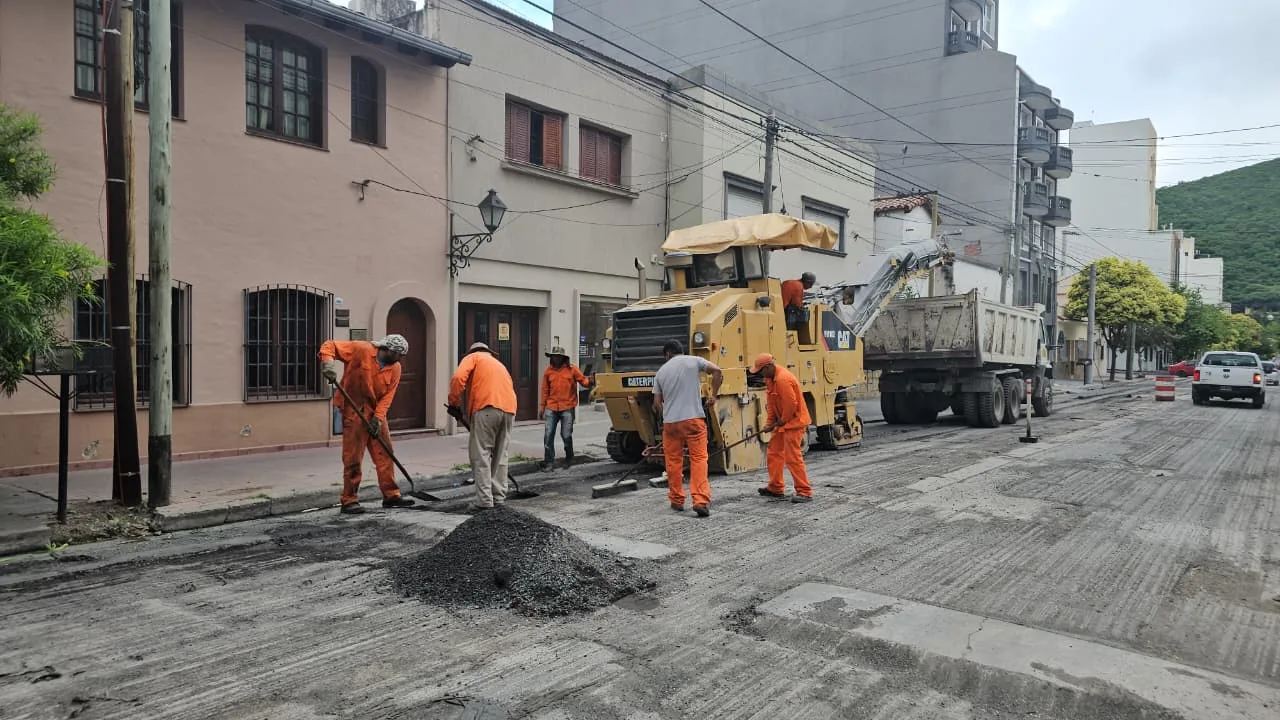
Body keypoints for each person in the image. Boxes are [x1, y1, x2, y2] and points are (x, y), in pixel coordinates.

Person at [319, 334, 415, 515]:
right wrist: (328, 364)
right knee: (353, 458)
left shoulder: (396, 368)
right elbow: (329, 346)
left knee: (385, 453)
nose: (400, 359)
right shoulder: (361, 349)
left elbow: (388, 397)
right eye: (398, 355)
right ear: (387, 350)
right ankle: (349, 500)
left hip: (375, 412)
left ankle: (391, 496)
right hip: (353, 411)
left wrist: (377, 419)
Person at [652, 339, 723, 518]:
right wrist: (713, 396)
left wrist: (666, 415)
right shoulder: (694, 361)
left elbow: (656, 404)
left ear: (667, 354)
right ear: (680, 351)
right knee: (698, 459)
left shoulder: (661, 372)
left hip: (671, 424)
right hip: (693, 421)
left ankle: (676, 499)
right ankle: (700, 501)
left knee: (673, 461)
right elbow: (717, 372)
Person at [448, 342, 518, 511]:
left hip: (486, 407)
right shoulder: (498, 364)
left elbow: (458, 378)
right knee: (500, 455)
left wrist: (454, 403)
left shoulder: (473, 357)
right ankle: (499, 497)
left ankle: (484, 501)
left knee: (481, 455)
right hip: (509, 410)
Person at [751, 353, 813, 504]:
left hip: (794, 423)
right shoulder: (769, 379)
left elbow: (791, 404)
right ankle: (775, 487)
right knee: (774, 452)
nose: (760, 374)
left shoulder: (783, 379)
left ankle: (804, 491)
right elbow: (771, 404)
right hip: (783, 423)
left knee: (793, 458)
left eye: (761, 370)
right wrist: (769, 423)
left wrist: (782, 420)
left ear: (769, 367)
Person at [540, 346, 592, 471]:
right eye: (554, 356)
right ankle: (549, 463)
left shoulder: (572, 369)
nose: (556, 358)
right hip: (551, 406)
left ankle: (569, 458)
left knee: (566, 435)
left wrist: (590, 381)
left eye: (558, 356)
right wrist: (542, 406)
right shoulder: (548, 371)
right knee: (548, 436)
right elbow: (544, 390)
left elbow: (583, 380)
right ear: (551, 357)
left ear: (563, 358)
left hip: (567, 406)